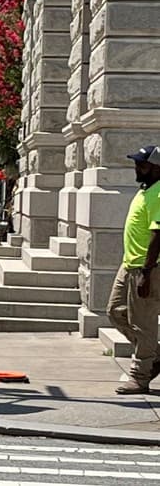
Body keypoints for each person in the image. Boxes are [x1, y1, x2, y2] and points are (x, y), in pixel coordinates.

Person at [107, 145, 160, 395]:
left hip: (146, 268)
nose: (137, 167)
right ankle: (155, 357)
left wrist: (147, 273)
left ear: (157, 167)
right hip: (129, 264)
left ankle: (140, 378)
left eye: (142, 164)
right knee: (116, 312)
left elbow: (158, 235)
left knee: (143, 324)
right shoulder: (146, 189)